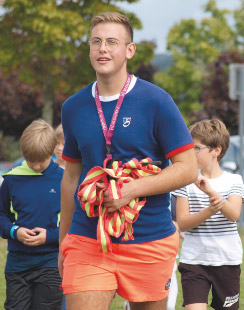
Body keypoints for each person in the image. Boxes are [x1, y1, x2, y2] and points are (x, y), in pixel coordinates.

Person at [59, 12, 197, 310]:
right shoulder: (73, 107)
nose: (103, 49)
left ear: (129, 50)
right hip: (88, 240)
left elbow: (188, 169)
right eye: (96, 42)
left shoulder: (157, 101)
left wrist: (130, 190)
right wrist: (63, 241)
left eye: (111, 42)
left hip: (148, 240)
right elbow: (71, 177)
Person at [173, 119, 244, 310]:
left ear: (216, 150)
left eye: (197, 148)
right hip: (194, 261)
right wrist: (209, 210)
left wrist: (212, 194)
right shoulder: (185, 181)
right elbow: (183, 223)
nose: (191, 152)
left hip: (227, 261)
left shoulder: (234, 180)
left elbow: (233, 215)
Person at [0, 119, 64, 310]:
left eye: (41, 161)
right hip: (18, 264)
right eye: (31, 161)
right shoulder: (12, 179)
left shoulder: (63, 179)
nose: (36, 166)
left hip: (51, 263)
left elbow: (74, 222)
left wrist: (50, 236)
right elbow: (1, 215)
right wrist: (14, 231)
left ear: (51, 151)